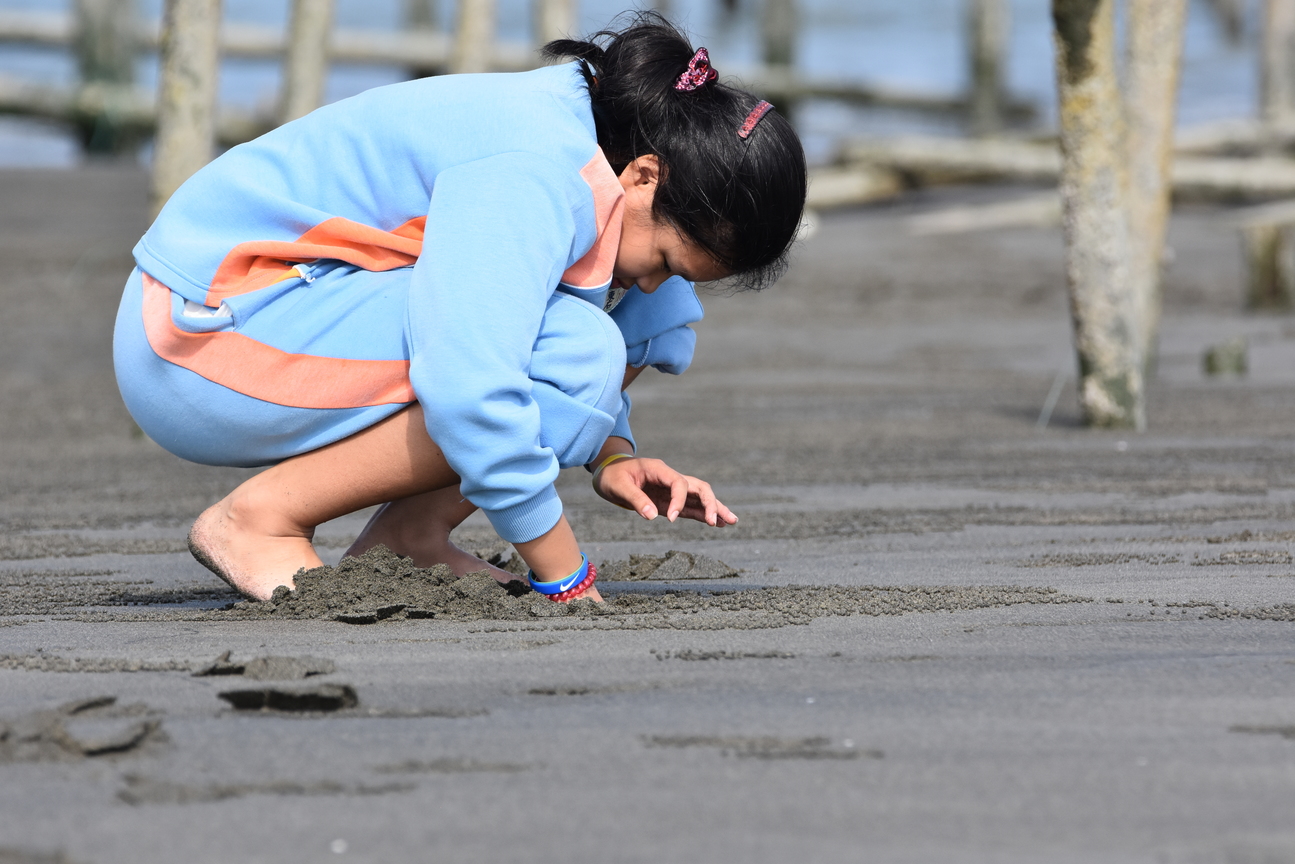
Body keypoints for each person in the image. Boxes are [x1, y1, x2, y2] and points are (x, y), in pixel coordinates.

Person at [112, 13, 807, 605]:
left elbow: (601, 312)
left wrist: (610, 453)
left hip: (265, 312)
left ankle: (410, 538)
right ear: (646, 173)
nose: (653, 283)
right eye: (663, 260)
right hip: (193, 340)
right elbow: (470, 384)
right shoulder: (534, 170)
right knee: (571, 352)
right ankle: (260, 520)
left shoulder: (597, 134)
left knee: (633, 323)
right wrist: (563, 573)